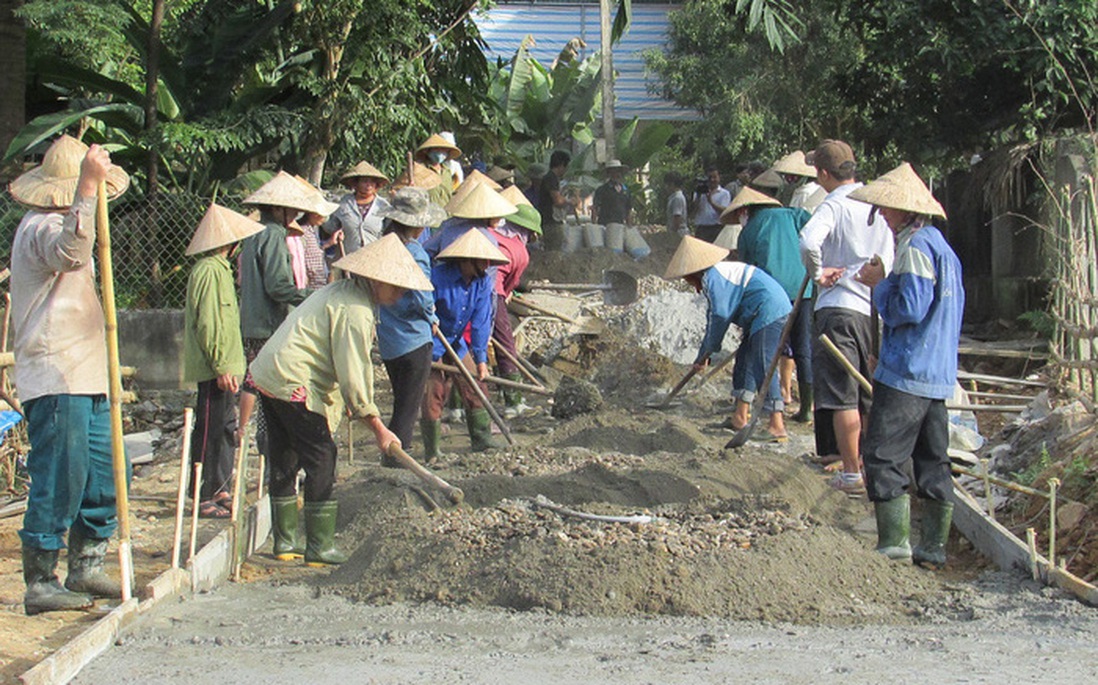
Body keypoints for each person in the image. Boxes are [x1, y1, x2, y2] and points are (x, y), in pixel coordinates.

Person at [250, 234, 429, 565]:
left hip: (270, 373)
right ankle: (319, 545)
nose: (402, 293)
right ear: (377, 280)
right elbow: (353, 371)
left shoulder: (341, 292)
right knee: (322, 456)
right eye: (398, 286)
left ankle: (285, 542)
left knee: (286, 454)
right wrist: (377, 426)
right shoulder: (356, 310)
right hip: (293, 378)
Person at [9, 135, 130, 615]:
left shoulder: (66, 221)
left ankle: (87, 561)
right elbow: (72, 253)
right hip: (57, 373)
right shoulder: (40, 228)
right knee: (61, 475)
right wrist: (86, 188)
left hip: (88, 375)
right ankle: (41, 579)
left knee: (100, 475)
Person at [849, 163, 963, 568]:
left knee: (883, 453)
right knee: (933, 460)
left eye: (885, 209)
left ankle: (895, 543)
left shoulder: (915, 249)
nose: (881, 214)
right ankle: (933, 548)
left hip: (908, 372)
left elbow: (909, 310)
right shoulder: (943, 249)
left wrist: (880, 285)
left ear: (903, 211)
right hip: (936, 374)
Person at [799, 140, 895, 496]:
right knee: (868, 392)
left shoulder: (835, 205)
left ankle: (853, 472)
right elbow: (890, 258)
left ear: (823, 173)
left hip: (838, 308)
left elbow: (808, 240)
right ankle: (871, 467)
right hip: (872, 310)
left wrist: (818, 273)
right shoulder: (877, 205)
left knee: (843, 394)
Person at [665, 236, 792, 441]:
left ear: (692, 273)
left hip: (769, 310)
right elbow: (712, 315)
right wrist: (703, 354)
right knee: (744, 361)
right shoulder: (713, 279)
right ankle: (740, 417)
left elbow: (721, 315)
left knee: (762, 363)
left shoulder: (715, 277)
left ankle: (776, 424)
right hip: (759, 313)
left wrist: (712, 348)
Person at [182, 204, 265, 519]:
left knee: (225, 429)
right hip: (217, 369)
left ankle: (219, 487)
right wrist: (220, 366)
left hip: (228, 366)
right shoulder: (209, 271)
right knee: (210, 430)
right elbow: (210, 323)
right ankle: (204, 492)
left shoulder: (221, 271)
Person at [238, 172, 316, 473]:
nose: (296, 215)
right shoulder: (271, 235)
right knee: (273, 395)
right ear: (279, 209)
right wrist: (310, 296)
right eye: (292, 210)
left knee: (262, 392)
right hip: (268, 326)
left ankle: (274, 462)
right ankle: (276, 464)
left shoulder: (255, 232)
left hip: (255, 324)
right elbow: (277, 286)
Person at [722, 187, 814, 423]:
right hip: (804, 290)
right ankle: (806, 409)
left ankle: (753, 407)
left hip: (773, 296)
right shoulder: (794, 214)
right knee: (803, 349)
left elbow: (747, 273)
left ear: (745, 211)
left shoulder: (748, 232)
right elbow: (814, 234)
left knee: (760, 348)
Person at [423, 227, 511, 458]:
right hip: (433, 340)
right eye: (481, 262)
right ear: (466, 260)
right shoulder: (438, 277)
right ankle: (433, 451)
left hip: (456, 339)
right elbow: (425, 306)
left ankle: (481, 439)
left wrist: (481, 359)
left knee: (474, 384)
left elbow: (481, 322)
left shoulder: (482, 283)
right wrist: (430, 319)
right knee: (435, 392)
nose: (485, 267)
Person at [375, 188, 447, 465]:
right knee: (408, 406)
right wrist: (432, 317)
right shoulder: (414, 252)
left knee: (400, 399)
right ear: (417, 224)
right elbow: (421, 293)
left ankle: (394, 452)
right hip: (414, 338)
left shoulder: (383, 245)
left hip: (389, 337)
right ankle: (396, 458)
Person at [488, 194, 542, 418]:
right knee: (506, 344)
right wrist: (506, 294)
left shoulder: (491, 234)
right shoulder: (520, 251)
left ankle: (456, 408)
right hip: (493, 294)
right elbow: (511, 283)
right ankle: (513, 401)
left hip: (470, 290)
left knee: (468, 347)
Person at [322, 161, 391, 258]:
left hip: (375, 258)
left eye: (372, 181)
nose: (368, 185)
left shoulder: (383, 206)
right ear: (356, 183)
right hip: (349, 257)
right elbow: (331, 227)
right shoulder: (344, 203)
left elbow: (390, 231)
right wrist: (321, 214)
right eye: (364, 181)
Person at [537, 150, 576, 250]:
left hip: (549, 221)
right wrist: (569, 202)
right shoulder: (551, 178)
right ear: (562, 165)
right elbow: (557, 200)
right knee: (554, 252)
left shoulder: (552, 178)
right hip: (551, 222)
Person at [415, 133, 462, 207]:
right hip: (427, 215)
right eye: (437, 148)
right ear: (428, 151)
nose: (440, 151)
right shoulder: (419, 169)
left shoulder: (447, 171)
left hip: (446, 215)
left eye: (444, 149)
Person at [692, 166, 731, 244]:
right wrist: (699, 196)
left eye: (714, 177)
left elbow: (724, 211)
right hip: (701, 228)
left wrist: (711, 202)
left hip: (716, 228)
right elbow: (693, 210)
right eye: (710, 178)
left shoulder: (724, 193)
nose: (712, 180)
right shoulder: (698, 193)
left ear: (719, 177)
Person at [591, 160, 632, 226]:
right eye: (614, 172)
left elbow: (628, 209)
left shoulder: (626, 191)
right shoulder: (602, 190)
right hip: (605, 224)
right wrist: (594, 224)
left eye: (618, 171)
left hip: (620, 225)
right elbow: (595, 208)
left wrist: (629, 225)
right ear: (609, 173)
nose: (617, 174)